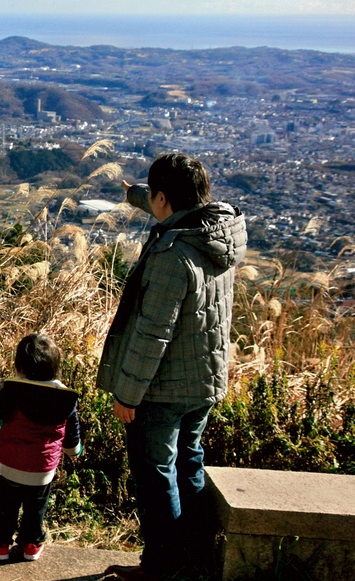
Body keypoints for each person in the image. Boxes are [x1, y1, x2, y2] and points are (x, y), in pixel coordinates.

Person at [97, 153, 247, 580]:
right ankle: (196, 558)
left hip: (161, 389)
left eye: (154, 196)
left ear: (165, 196)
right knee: (188, 463)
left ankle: (163, 567)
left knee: (156, 475)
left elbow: (151, 334)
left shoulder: (172, 255)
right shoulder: (219, 232)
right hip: (204, 380)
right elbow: (174, 208)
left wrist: (127, 394)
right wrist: (135, 196)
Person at [0, 333, 82, 562]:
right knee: (36, 508)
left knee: (6, 505)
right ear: (56, 366)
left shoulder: (14, 391)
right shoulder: (65, 397)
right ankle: (31, 544)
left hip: (12, 463)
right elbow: (71, 431)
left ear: (19, 366)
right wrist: (74, 450)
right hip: (44, 468)